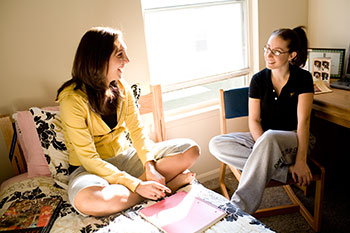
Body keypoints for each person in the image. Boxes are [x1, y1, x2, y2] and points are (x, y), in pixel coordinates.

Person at [56, 27, 200, 217]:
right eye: (120, 54)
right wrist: (138, 185)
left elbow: (138, 132)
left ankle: (146, 188)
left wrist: (149, 166)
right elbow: (89, 159)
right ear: (99, 58)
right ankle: (165, 187)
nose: (127, 60)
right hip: (89, 169)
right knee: (87, 200)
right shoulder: (71, 99)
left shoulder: (123, 88)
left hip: (125, 158)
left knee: (191, 150)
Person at [209, 26, 314, 214]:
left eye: (276, 51)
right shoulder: (258, 80)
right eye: (267, 48)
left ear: (292, 55)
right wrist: (262, 145)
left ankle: (239, 208)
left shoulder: (303, 78)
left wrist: (301, 160)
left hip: (294, 140)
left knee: (271, 136)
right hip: (263, 139)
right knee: (216, 143)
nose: (268, 55)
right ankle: (283, 171)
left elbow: (303, 122)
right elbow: (254, 121)